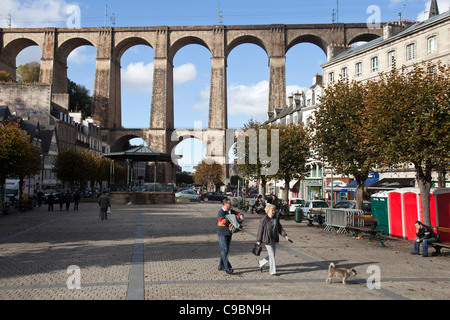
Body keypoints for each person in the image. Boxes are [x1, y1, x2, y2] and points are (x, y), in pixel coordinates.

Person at [256, 204, 291, 275]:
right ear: (268, 211)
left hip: (274, 239)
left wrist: (285, 236)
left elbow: (280, 228)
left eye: (274, 210)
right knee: (272, 255)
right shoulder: (263, 220)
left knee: (272, 255)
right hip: (267, 239)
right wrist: (258, 240)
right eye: (272, 210)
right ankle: (272, 271)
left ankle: (261, 263)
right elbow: (260, 231)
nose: (274, 212)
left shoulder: (276, 219)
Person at [217, 198, 244, 274]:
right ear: (225, 204)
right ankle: (227, 267)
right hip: (222, 233)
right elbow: (222, 221)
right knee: (224, 250)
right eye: (229, 204)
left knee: (225, 250)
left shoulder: (230, 211)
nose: (230, 205)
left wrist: (241, 215)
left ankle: (220, 265)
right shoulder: (221, 212)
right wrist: (231, 219)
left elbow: (237, 213)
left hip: (229, 233)